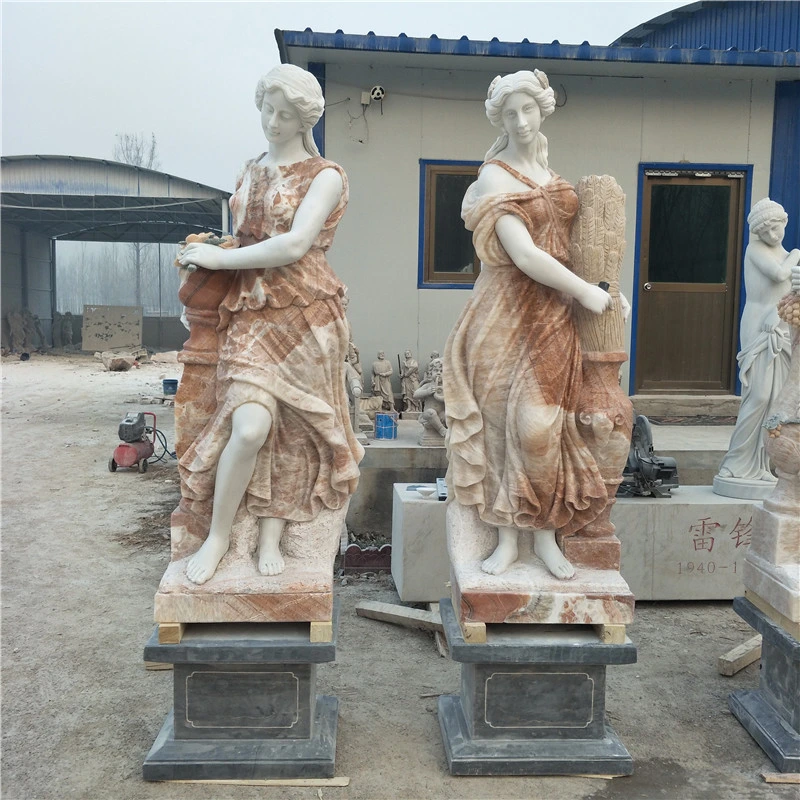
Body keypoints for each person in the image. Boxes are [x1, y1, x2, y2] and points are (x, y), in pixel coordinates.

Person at [176, 64, 363, 585]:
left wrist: (220, 260)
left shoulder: (325, 175)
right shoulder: (250, 169)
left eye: (285, 114)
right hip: (251, 311)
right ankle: (219, 536)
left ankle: (272, 536)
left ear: (305, 119)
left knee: (294, 433)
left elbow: (295, 244)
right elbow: (245, 238)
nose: (273, 122)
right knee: (251, 427)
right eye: (267, 110)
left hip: (306, 313)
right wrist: (209, 250)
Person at [443, 69, 614, 581]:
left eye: (528, 110)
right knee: (501, 429)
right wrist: (585, 292)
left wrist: (603, 289)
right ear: (500, 119)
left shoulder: (550, 174)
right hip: (503, 315)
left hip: (552, 315)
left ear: (543, 110)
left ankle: (544, 536)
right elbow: (524, 254)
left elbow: (574, 249)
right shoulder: (495, 179)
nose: (520, 121)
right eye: (510, 113)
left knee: (543, 429)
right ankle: (505, 539)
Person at [716, 198, 800, 488]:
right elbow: (779, 275)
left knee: (776, 399)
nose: (773, 235)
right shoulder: (757, 250)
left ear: (784, 223)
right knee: (759, 395)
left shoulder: (786, 255)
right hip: (759, 324)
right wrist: (797, 254)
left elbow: (789, 291)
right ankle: (735, 462)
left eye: (776, 228)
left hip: (780, 325)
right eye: (766, 231)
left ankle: (762, 463)